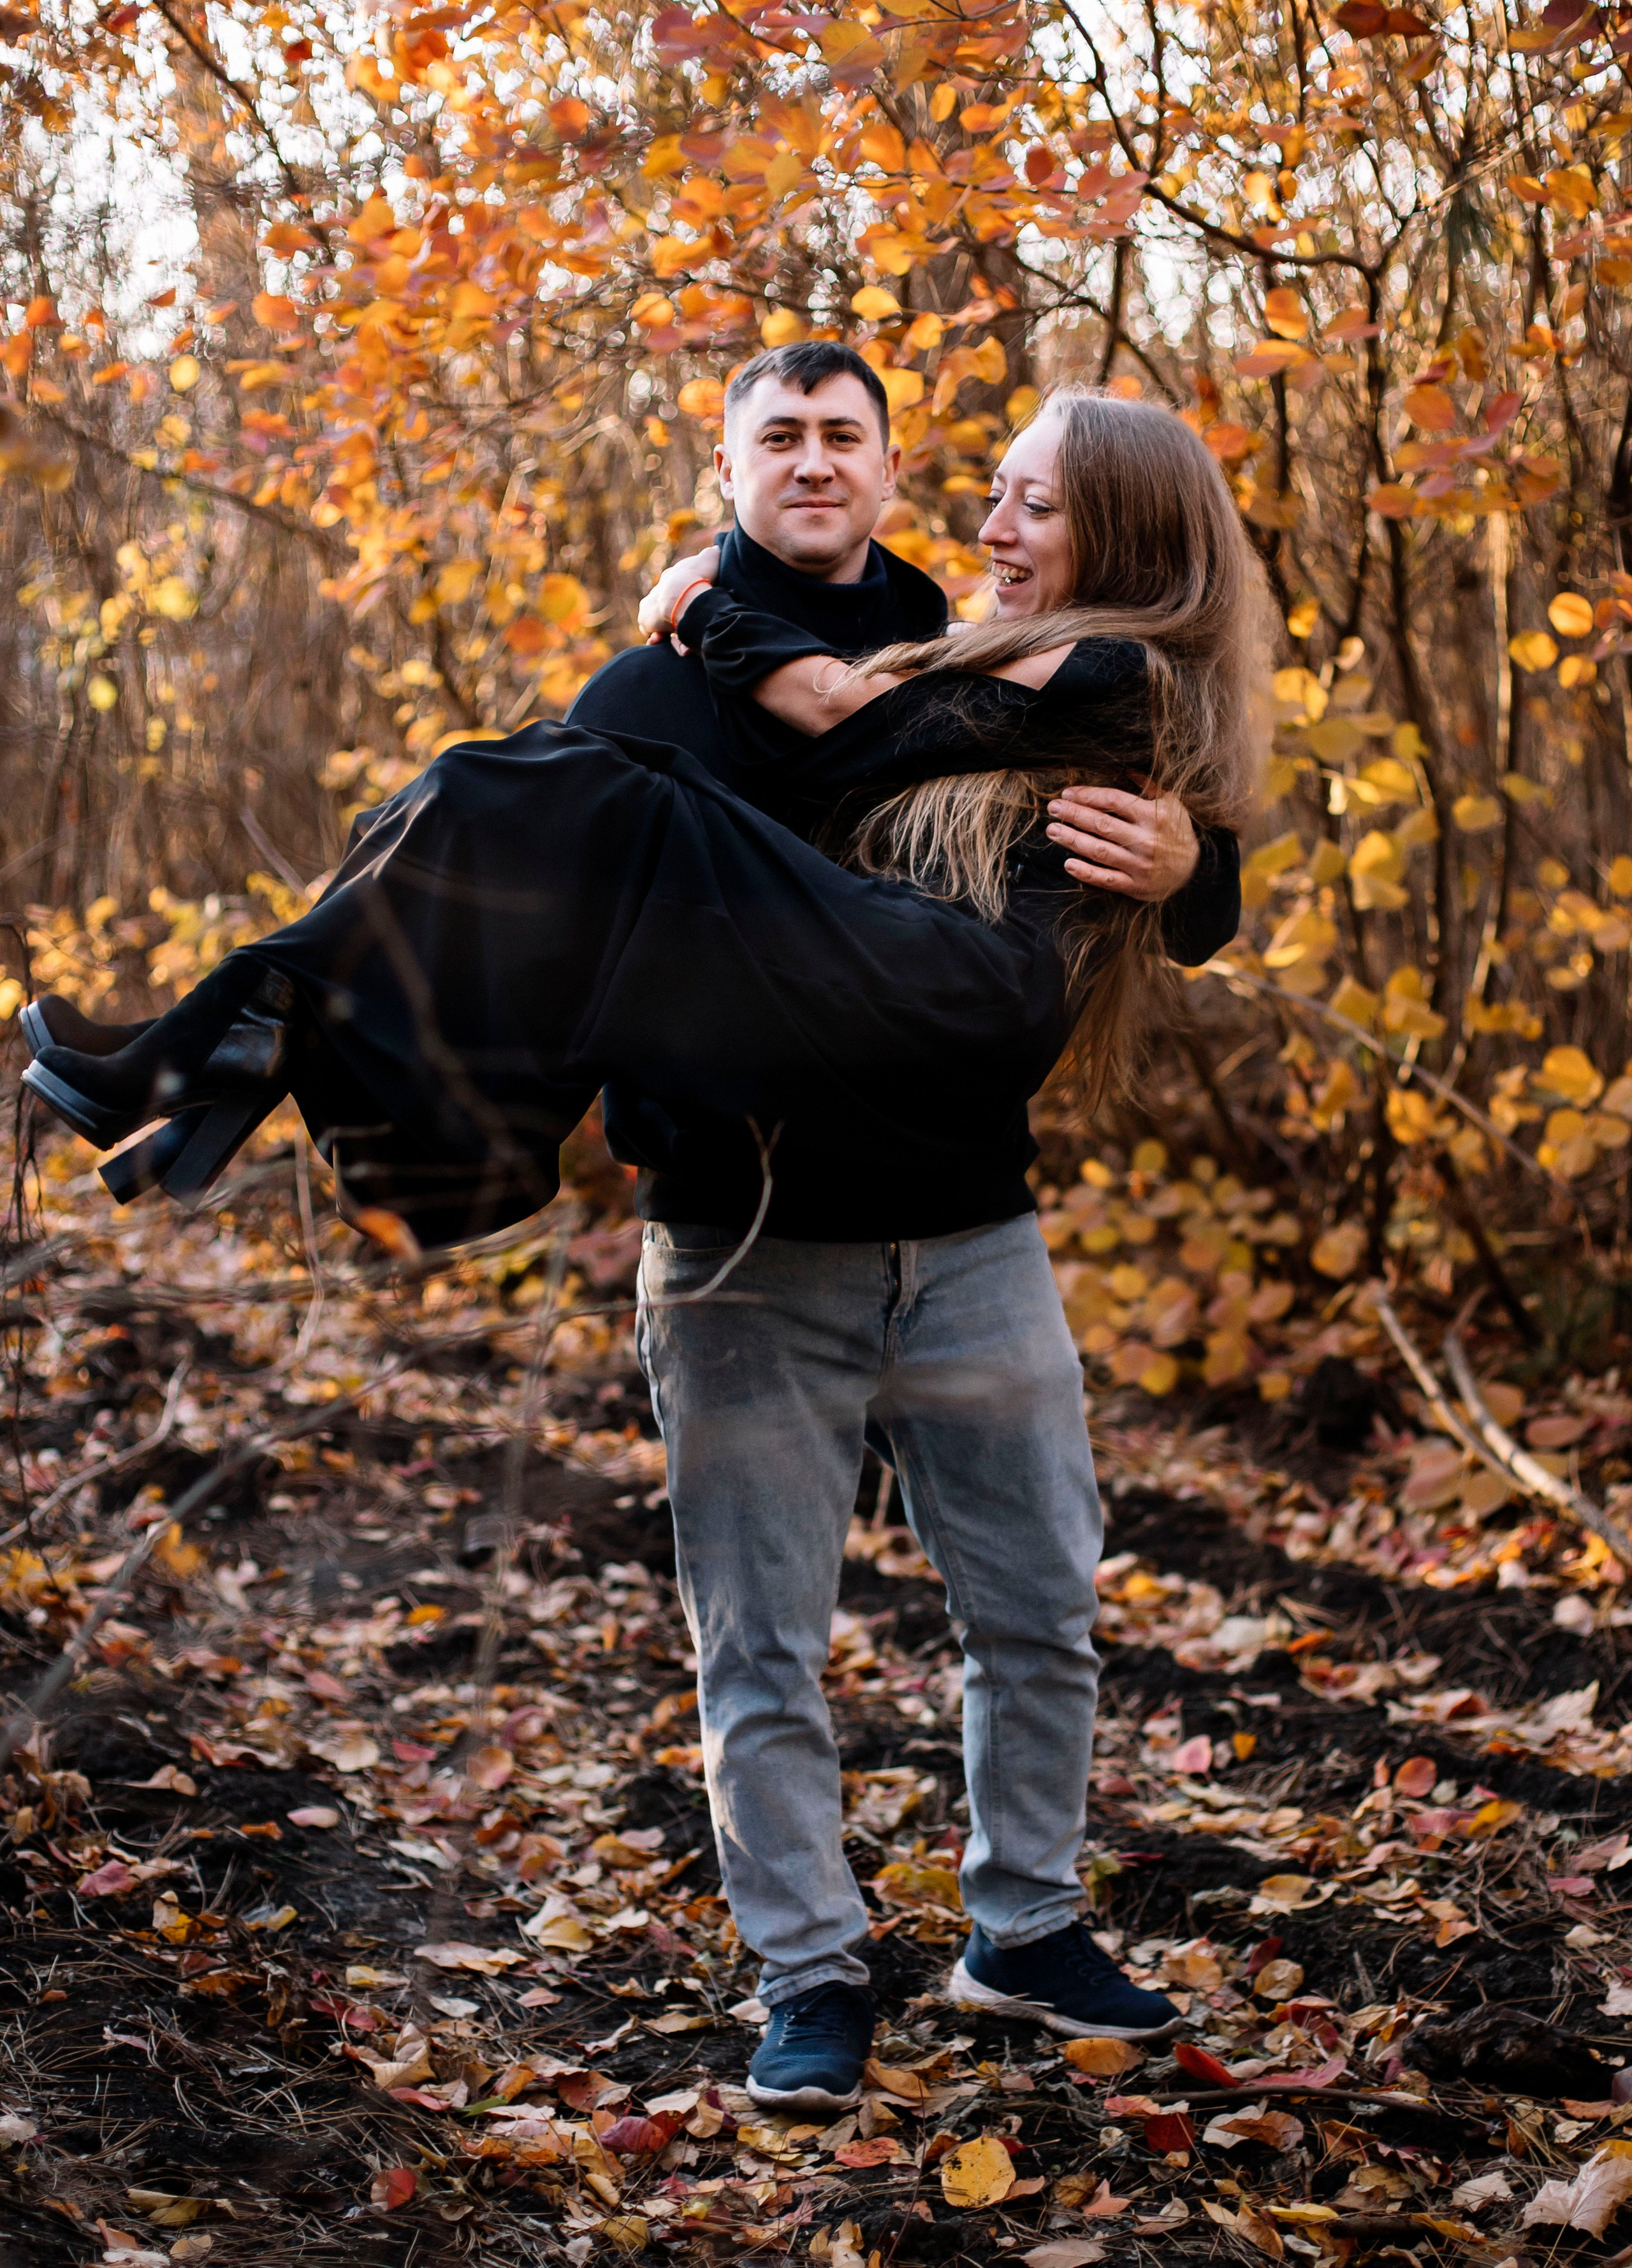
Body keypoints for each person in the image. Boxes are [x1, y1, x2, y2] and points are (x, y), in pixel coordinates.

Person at [18, 352, 1258, 2110]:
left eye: (857, 440)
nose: (827, 468)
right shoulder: (664, 677)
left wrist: (1196, 868)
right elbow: (520, 889)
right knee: (759, 1638)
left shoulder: (936, 640)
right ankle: (811, 1976)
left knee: (1042, 1610)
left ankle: (1026, 1928)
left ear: (892, 470)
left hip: (969, 1222)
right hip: (749, 1235)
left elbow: (1137, 752)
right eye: (781, 438)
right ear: (728, 466)